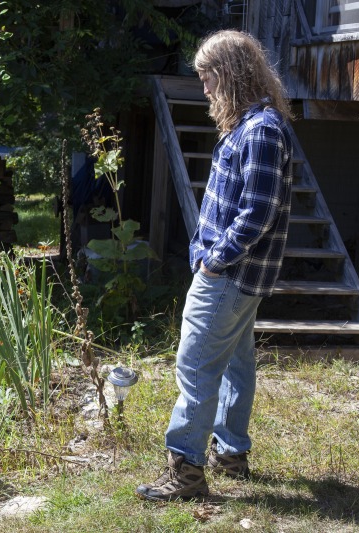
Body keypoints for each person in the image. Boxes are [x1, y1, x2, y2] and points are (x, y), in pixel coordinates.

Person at [136, 30, 294, 501]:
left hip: (230, 276)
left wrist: (214, 262)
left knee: (197, 365)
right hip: (239, 276)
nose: (203, 87)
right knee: (235, 364)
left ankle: (185, 469)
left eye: (207, 77)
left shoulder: (261, 129)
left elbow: (258, 212)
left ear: (230, 75)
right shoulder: (251, 125)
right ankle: (230, 452)